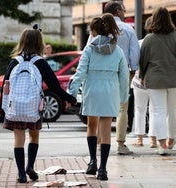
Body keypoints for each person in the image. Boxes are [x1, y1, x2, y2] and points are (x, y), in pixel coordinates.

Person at [0, 25, 77, 183]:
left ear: (22, 42)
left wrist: (3, 108)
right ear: (39, 43)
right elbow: (54, 85)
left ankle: (21, 173)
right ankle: (30, 166)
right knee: (34, 136)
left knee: (18, 139)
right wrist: (69, 98)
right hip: (33, 106)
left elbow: (5, 87)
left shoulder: (14, 62)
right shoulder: (40, 62)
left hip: (16, 107)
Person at [68, 14, 129, 181]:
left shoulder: (89, 49)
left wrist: (72, 93)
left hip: (92, 90)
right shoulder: (117, 51)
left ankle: (92, 161)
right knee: (106, 130)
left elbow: (80, 73)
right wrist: (123, 96)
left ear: (94, 31)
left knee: (91, 126)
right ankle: (103, 169)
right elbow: (124, 77)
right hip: (110, 92)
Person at [139, 7, 176, 155]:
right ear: (169, 19)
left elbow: (143, 61)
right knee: (173, 112)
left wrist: (142, 76)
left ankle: (161, 144)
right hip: (175, 79)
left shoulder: (149, 39)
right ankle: (171, 140)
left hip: (155, 79)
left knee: (159, 112)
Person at [104, 1, 140, 155]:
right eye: (124, 10)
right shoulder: (127, 29)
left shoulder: (99, 27)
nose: (125, 12)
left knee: (102, 108)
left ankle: (100, 142)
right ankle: (121, 143)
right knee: (122, 108)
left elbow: (88, 48)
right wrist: (133, 69)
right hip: (122, 71)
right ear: (117, 11)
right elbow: (134, 53)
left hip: (102, 72)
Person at [132, 16, 157, 148]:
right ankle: (153, 140)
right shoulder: (160, 43)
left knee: (139, 109)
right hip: (155, 81)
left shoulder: (140, 42)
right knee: (154, 110)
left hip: (139, 81)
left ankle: (140, 139)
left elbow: (135, 61)